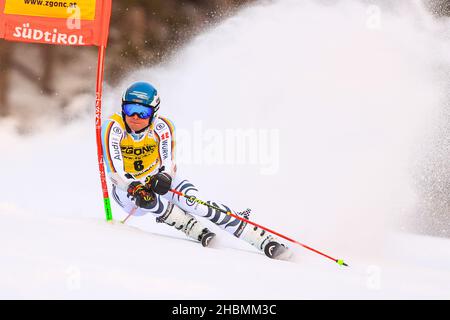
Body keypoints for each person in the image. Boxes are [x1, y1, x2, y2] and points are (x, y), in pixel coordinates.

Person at [101, 81, 290, 259]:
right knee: (148, 201)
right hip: (125, 189)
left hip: (155, 178)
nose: (135, 117)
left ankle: (260, 238)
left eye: (142, 112)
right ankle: (188, 225)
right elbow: (114, 170)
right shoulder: (113, 127)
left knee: (195, 203)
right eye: (130, 109)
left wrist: (164, 176)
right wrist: (134, 187)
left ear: (154, 112)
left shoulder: (163, 127)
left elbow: (169, 162)